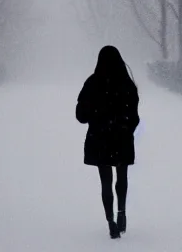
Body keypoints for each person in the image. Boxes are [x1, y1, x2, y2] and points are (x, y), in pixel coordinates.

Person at [76, 46, 140, 239]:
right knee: (122, 178)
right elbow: (134, 117)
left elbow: (80, 115)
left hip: (100, 139)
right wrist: (125, 128)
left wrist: (97, 116)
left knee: (105, 181)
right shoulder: (128, 85)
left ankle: (110, 220)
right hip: (121, 139)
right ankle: (122, 213)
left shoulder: (92, 83)